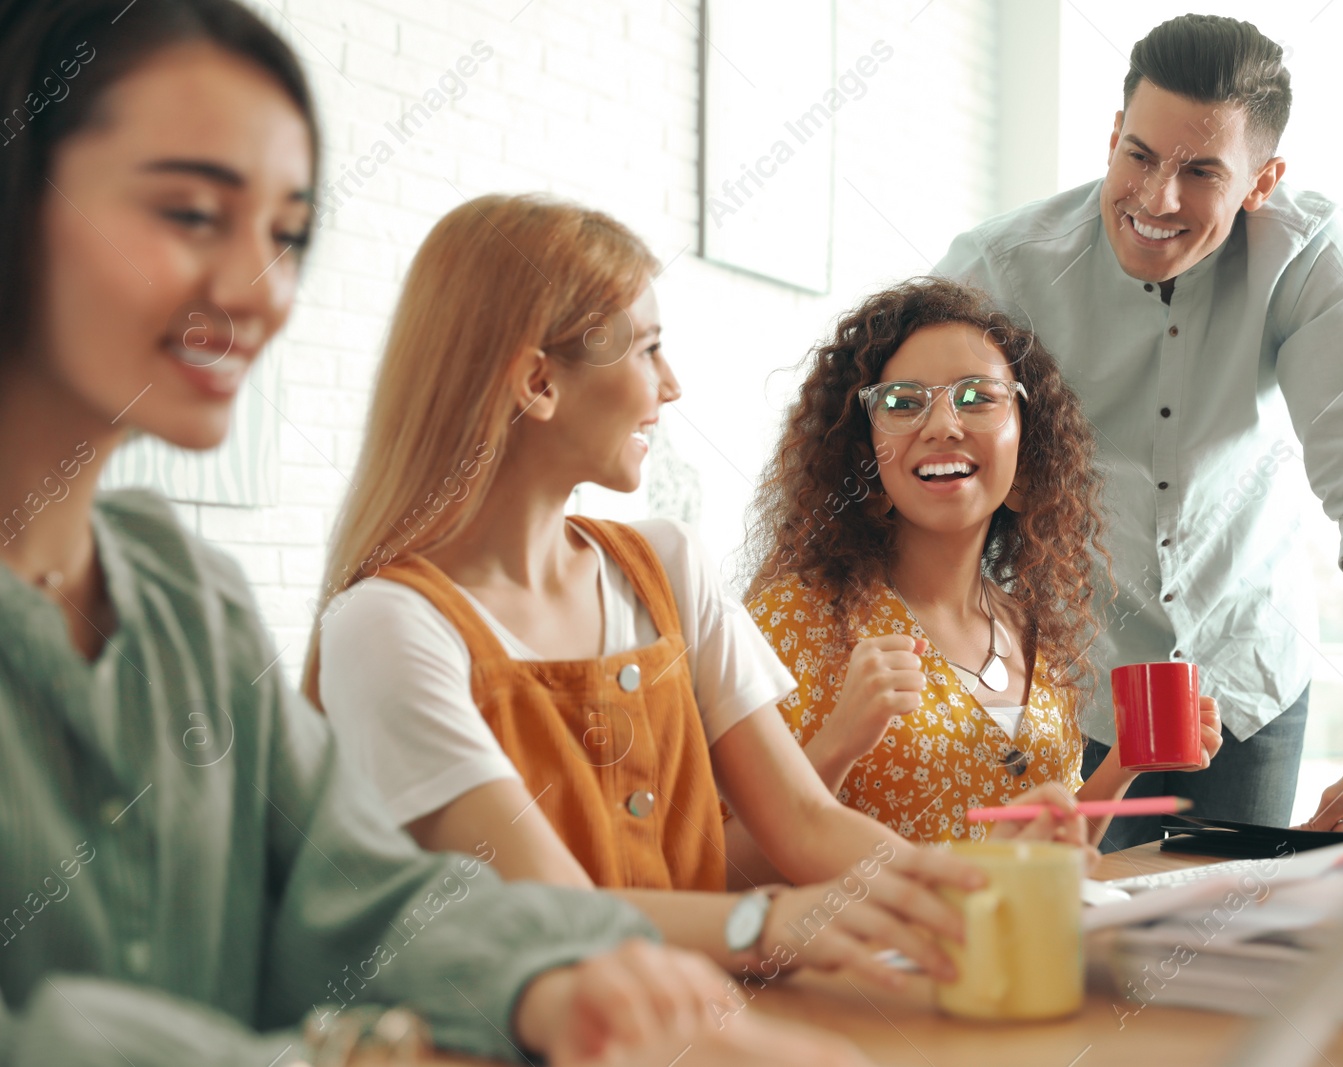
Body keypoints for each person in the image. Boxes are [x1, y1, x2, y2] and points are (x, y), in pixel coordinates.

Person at [0, 2, 872, 1064]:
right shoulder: (386, 618)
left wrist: (552, 979)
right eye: (190, 212)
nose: (256, 287)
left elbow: (362, 894)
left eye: (284, 234)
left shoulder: (188, 593)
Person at [307, 194, 989, 990]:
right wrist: (768, 921)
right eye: (647, 350)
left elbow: (805, 820)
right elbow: (547, 906)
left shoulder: (665, 564)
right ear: (538, 382)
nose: (671, 385)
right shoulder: (387, 627)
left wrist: (975, 899)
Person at [934, 14, 1343, 844]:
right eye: (1139, 155)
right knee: (1081, 948)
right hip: (1068, 675)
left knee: (1228, 947)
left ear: (1262, 180)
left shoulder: (1307, 257)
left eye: (1202, 170)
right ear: (1110, 138)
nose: (1157, 198)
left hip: (1245, 672)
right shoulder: (999, 269)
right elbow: (919, 470)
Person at [741, 277, 1223, 850]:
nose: (943, 425)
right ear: (863, 456)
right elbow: (720, 869)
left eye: (977, 398)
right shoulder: (792, 622)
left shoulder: (1032, 627)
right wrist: (838, 743)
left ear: (1026, 455)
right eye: (901, 403)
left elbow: (1053, 853)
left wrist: (1126, 763)